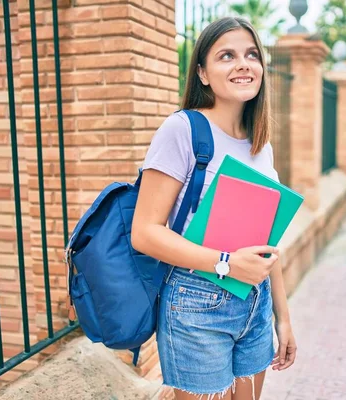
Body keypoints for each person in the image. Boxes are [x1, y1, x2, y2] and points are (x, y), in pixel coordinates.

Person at [131, 17, 297, 400]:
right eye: (227, 55)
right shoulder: (181, 130)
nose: (243, 64)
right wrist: (226, 262)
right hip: (196, 305)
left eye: (251, 54)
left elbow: (267, 242)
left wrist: (282, 318)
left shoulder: (261, 145)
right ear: (203, 73)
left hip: (255, 303)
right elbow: (145, 232)